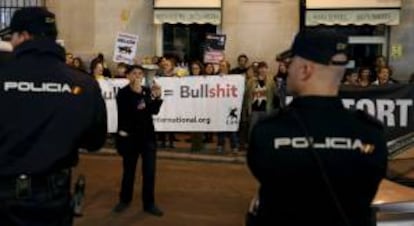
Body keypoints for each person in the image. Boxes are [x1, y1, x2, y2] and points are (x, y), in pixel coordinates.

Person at [247, 29, 387, 226]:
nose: (287, 69)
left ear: (305, 70)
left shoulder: (268, 132)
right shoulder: (371, 134)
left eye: (291, 63)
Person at [0, 7, 107, 226]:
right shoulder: (84, 84)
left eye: (12, 36)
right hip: (53, 198)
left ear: (23, 35)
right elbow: (95, 141)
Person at [113, 65, 164, 217]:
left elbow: (153, 111)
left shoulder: (147, 91)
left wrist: (157, 97)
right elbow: (129, 113)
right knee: (129, 171)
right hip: (130, 139)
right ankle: (124, 200)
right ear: (128, 76)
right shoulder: (123, 93)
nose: (138, 76)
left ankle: (149, 203)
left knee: (149, 172)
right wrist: (138, 95)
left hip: (148, 138)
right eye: (134, 73)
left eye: (140, 73)